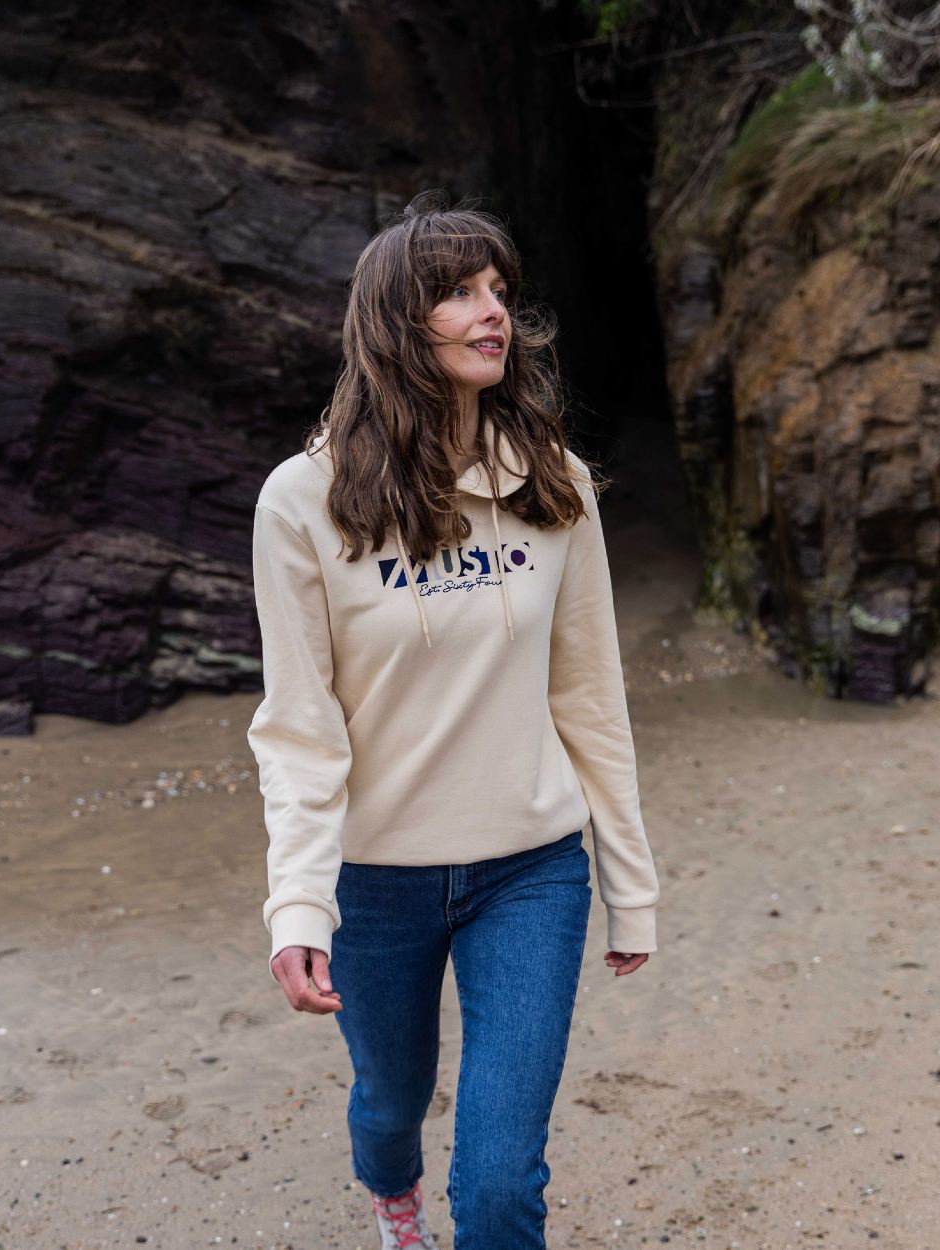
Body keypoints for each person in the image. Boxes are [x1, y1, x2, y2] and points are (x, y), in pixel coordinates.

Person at [246, 189, 661, 1250]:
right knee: (390, 1107)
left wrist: (631, 883)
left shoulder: (555, 486)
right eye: (458, 292)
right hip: (374, 879)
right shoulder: (303, 501)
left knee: (500, 1187)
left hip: (531, 870)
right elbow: (298, 727)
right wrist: (298, 905)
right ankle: (392, 1201)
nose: (493, 313)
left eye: (499, 292)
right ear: (394, 323)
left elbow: (589, 696)